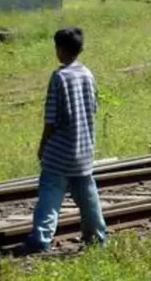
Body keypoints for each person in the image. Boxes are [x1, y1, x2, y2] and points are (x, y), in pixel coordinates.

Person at [25, 27, 106, 253]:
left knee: (50, 194)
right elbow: (93, 108)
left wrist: (43, 146)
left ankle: (41, 239)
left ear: (60, 49)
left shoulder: (59, 77)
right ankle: (97, 236)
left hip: (60, 151)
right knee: (88, 195)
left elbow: (51, 117)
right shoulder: (87, 74)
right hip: (84, 148)